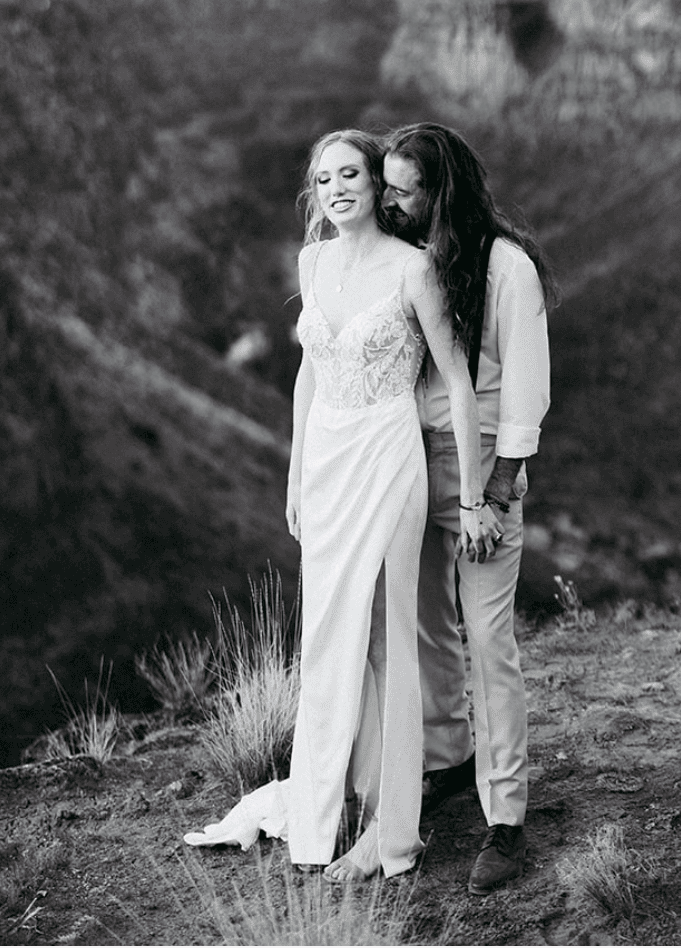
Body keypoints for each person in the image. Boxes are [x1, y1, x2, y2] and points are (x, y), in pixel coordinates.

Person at [185, 130, 484, 882]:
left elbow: (456, 379)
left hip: (388, 459)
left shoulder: (414, 269)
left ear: (377, 184)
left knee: (390, 637)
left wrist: (477, 489)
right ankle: (329, 799)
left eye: (349, 174)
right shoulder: (311, 261)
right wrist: (294, 472)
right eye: (323, 180)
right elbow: (309, 374)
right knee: (326, 636)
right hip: (325, 463)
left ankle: (391, 830)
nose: (337, 189)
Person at [380, 122, 554, 895]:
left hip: (478, 466)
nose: (390, 201)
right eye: (384, 185)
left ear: (440, 192)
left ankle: (507, 815)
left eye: (402, 190)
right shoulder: (410, 262)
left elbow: (525, 390)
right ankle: (449, 762)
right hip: (408, 463)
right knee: (425, 625)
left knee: (488, 638)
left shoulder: (507, 268)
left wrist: (494, 491)